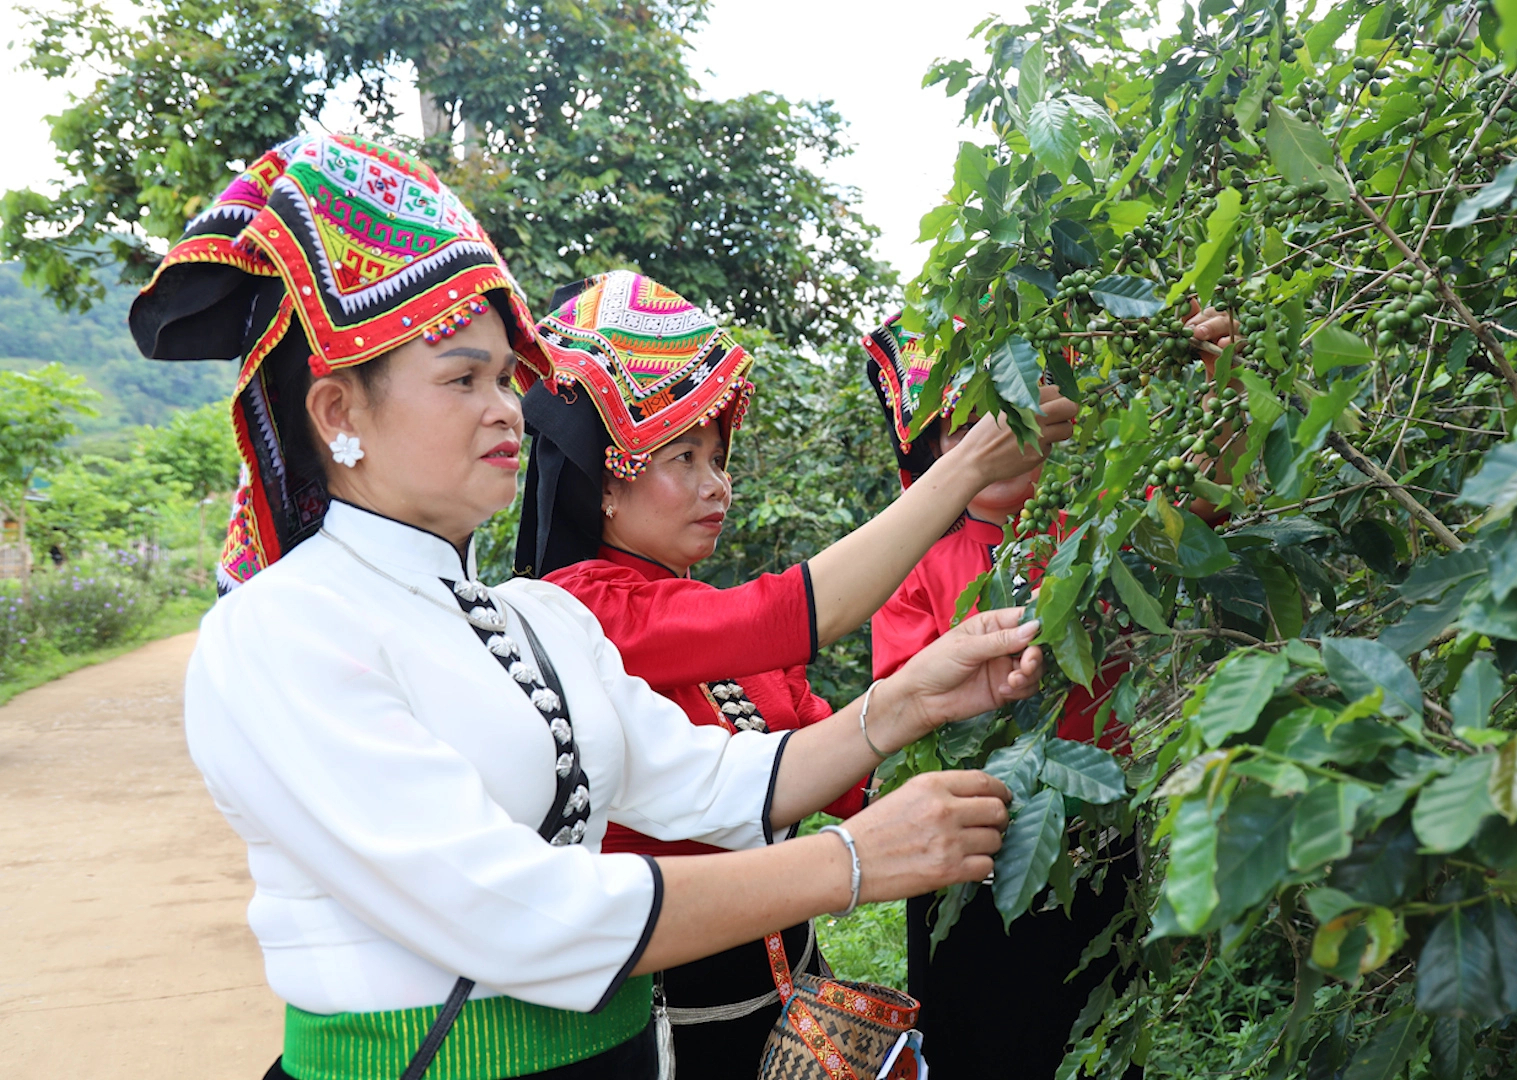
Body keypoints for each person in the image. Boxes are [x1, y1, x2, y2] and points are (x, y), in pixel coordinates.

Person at [131, 133, 1041, 1080]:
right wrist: (851, 862)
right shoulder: (282, 631)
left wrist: (914, 699)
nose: (508, 411)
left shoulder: (534, 622)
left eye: (502, 379)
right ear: (339, 414)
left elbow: (719, 783)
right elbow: (508, 912)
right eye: (462, 379)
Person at [511, 269, 1079, 1077]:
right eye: (685, 456)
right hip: (673, 1025)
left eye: (719, 456)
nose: (718, 485)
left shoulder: (706, 631)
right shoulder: (583, 609)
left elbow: (844, 765)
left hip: (785, 1014)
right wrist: (964, 468)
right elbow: (792, 614)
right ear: (606, 478)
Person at [862, 305, 1237, 1079]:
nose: (996, 444)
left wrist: (1217, 378)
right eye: (966, 431)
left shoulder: (1091, 526)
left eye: (1010, 417)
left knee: (1090, 1029)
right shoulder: (913, 565)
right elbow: (903, 711)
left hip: (1092, 836)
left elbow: (1204, 504)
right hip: (966, 849)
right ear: (935, 454)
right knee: (978, 1040)